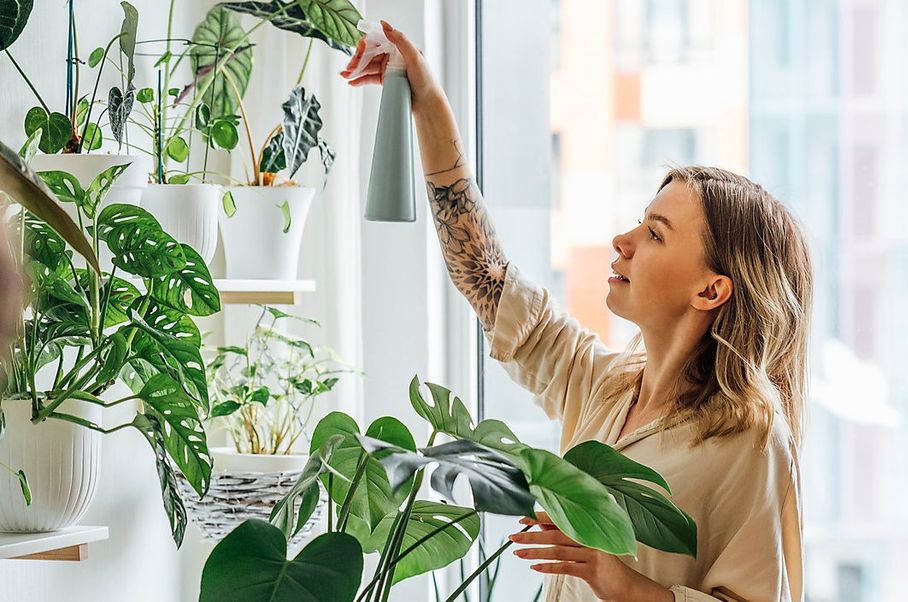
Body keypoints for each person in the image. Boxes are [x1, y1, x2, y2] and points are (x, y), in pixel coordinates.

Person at [342, 20, 811, 602]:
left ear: (711, 291)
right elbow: (486, 276)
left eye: (656, 234)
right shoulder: (604, 387)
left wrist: (622, 583)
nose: (624, 239)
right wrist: (428, 102)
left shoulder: (751, 436)